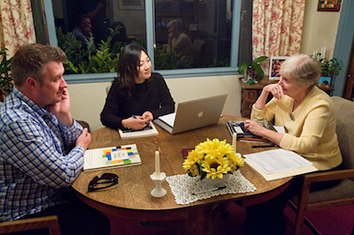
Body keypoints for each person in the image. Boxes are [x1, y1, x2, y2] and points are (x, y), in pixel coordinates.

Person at [0, 43, 110, 235]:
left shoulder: (41, 104)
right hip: (29, 215)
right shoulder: (15, 122)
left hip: (52, 196)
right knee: (99, 221)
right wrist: (81, 148)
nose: (64, 84)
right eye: (57, 78)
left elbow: (75, 139)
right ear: (32, 83)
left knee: (104, 196)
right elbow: (62, 174)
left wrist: (64, 116)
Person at [242, 54, 343, 234]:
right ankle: (253, 226)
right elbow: (259, 118)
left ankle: (268, 229)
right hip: (291, 155)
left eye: (286, 80)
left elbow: (306, 146)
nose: (279, 83)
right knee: (257, 182)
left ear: (304, 84)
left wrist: (264, 132)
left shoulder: (320, 105)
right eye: (280, 77)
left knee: (272, 193)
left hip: (319, 164)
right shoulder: (287, 94)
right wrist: (265, 92)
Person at [101, 43, 175, 130]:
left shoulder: (157, 79)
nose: (147, 67)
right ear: (129, 68)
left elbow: (169, 106)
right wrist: (125, 123)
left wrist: (152, 114)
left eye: (148, 60)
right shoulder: (119, 85)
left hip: (152, 130)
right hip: (128, 133)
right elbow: (105, 116)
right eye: (141, 64)